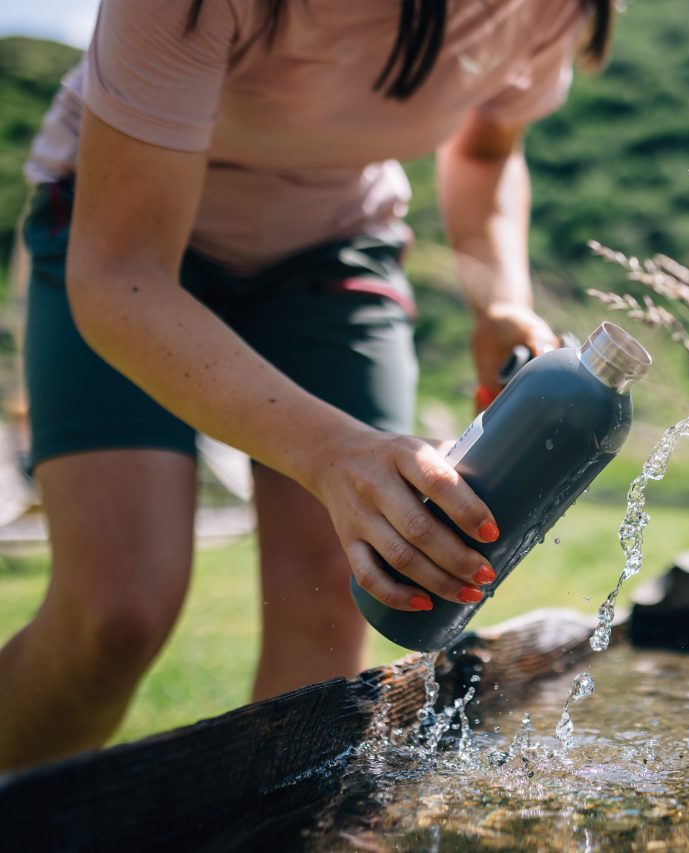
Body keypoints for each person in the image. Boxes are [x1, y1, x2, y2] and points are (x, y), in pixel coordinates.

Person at [0, 0, 613, 773]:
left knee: (338, 593)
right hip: (125, 245)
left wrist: (499, 301)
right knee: (116, 615)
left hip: (332, 248)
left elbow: (487, 149)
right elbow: (119, 273)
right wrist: (332, 454)